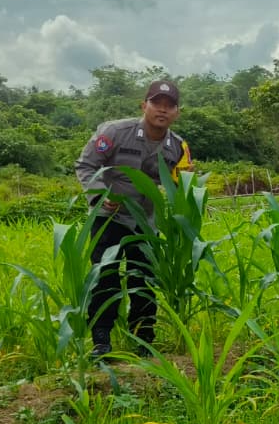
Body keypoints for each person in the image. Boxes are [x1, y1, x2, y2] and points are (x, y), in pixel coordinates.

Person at [74, 79, 193, 358]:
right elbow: (86, 164)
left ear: (177, 112)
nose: (162, 111)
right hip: (108, 218)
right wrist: (100, 195)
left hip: (146, 223)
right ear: (144, 106)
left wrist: (182, 210)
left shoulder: (176, 147)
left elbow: (181, 183)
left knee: (144, 280)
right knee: (106, 277)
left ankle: (144, 341)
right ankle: (101, 342)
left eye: (169, 106)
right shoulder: (115, 132)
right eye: (156, 104)